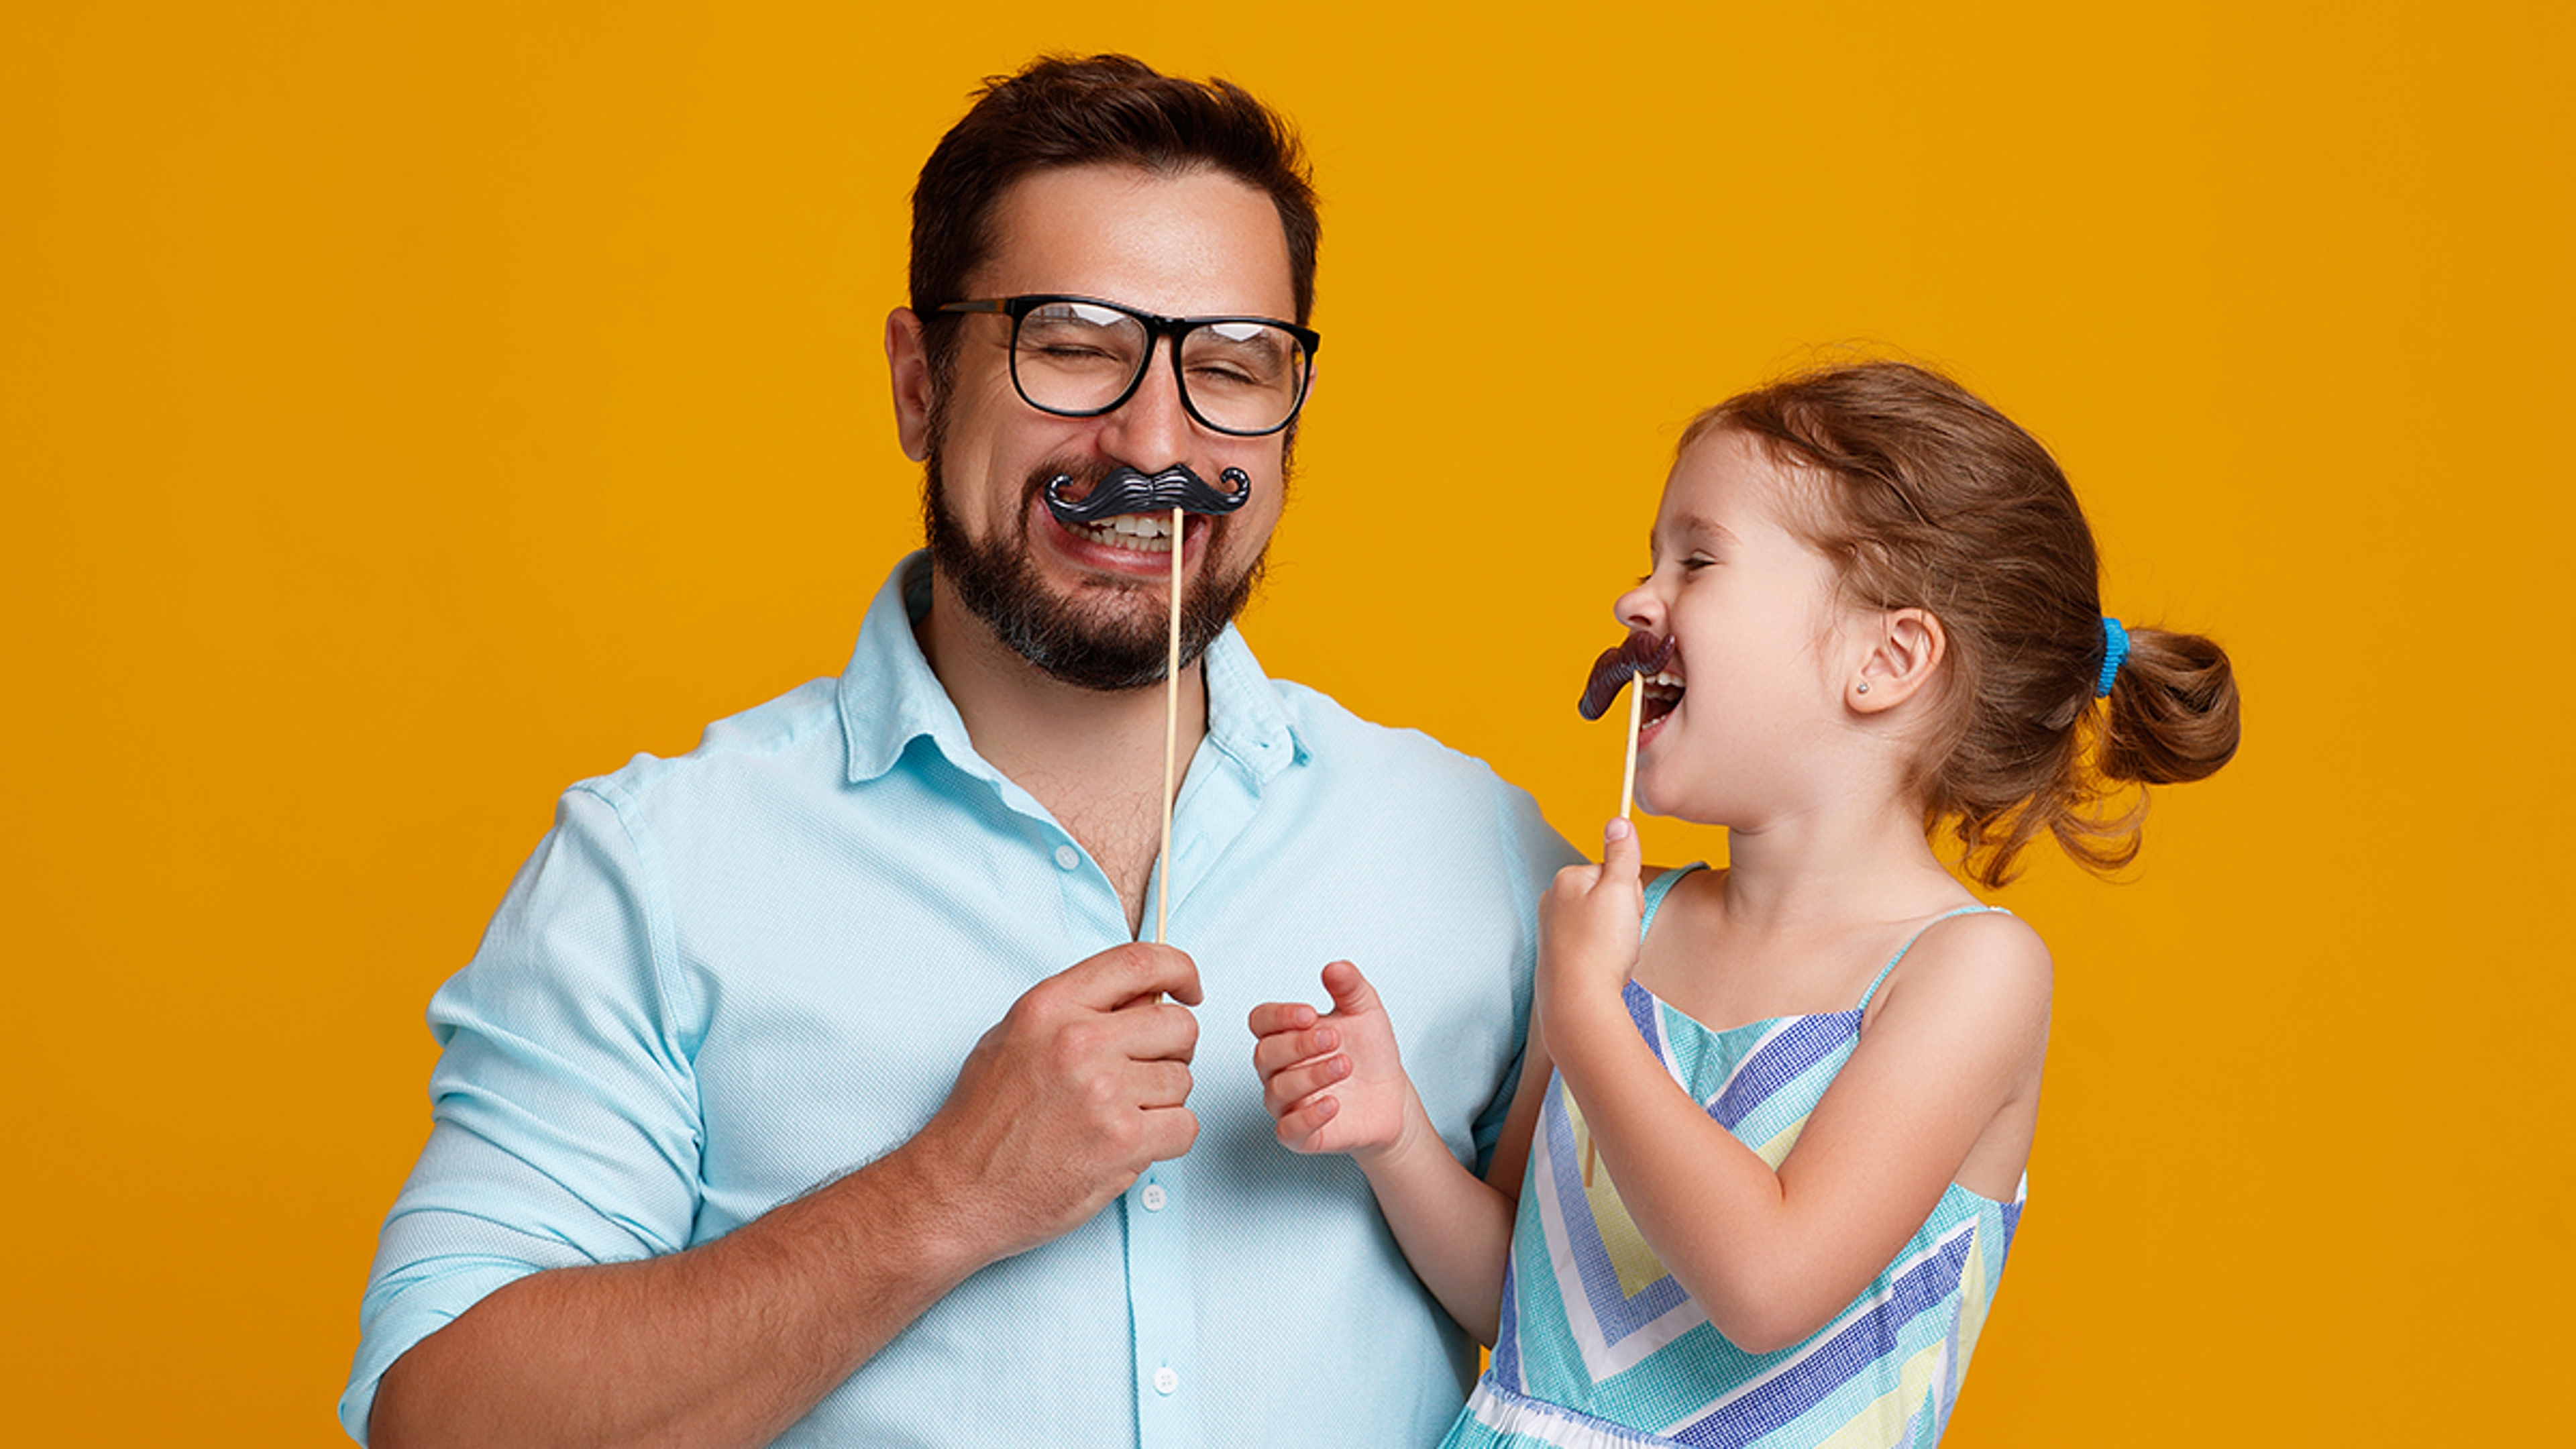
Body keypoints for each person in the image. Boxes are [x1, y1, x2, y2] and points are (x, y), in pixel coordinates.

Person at [343, 55, 1574, 1449]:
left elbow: (1659, 1345)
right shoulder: (658, 868)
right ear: (921, 385)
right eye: (1071, 343)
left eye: (1232, 366)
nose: (1153, 439)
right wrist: (944, 1194)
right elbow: (440, 1424)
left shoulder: (1489, 857)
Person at [1253, 360, 2241, 1448]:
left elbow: (1768, 1284)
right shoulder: (1627, 927)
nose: (1638, 601)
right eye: (1651, 559)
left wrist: (1590, 1018)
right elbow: (1521, 1306)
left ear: (1888, 658)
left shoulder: (1971, 973)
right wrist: (1395, 1139)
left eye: (1700, 559)